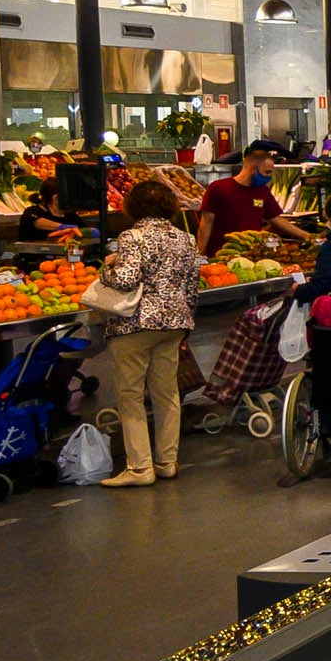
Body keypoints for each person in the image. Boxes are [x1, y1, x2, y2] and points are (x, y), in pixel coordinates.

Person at [95, 178, 202, 487]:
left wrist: (107, 267)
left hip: (136, 324)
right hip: (174, 323)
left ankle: (140, 467)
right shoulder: (186, 239)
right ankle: (167, 462)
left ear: (134, 206)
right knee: (167, 393)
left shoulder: (132, 236)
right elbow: (191, 286)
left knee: (130, 395)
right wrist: (186, 320)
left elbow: (126, 279)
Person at [196, 140, 282, 255]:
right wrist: (200, 254)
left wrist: (303, 235)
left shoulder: (263, 191)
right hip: (220, 255)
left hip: (252, 255)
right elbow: (206, 224)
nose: (269, 177)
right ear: (253, 169)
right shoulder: (218, 188)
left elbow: (276, 219)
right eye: (267, 172)